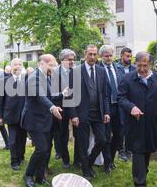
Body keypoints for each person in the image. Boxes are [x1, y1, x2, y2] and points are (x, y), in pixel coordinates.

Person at [118, 52, 157, 187]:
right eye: (139, 65)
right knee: (138, 151)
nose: (142, 69)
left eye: (145, 65)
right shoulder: (127, 78)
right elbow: (120, 97)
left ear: (150, 65)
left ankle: (142, 173)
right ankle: (140, 186)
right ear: (135, 63)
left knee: (147, 151)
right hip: (135, 123)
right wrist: (131, 107)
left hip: (152, 122)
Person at [22, 54, 65, 187]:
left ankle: (40, 177)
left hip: (44, 119)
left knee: (46, 149)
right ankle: (28, 175)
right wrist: (52, 107)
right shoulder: (34, 78)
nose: (53, 68)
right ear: (42, 63)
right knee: (41, 149)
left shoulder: (46, 77)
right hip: (33, 120)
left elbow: (48, 95)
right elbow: (40, 96)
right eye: (51, 65)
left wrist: (61, 94)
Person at [69, 44, 111, 179]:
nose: (92, 57)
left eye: (94, 54)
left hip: (98, 113)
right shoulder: (75, 71)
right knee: (83, 143)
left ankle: (88, 162)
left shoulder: (101, 71)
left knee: (102, 140)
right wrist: (73, 115)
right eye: (90, 54)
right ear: (85, 54)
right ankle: (86, 171)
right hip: (81, 114)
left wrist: (106, 112)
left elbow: (104, 94)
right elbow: (70, 95)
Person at [0, 58, 28, 171]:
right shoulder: (3, 81)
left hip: (24, 115)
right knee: (13, 139)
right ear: (11, 67)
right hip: (10, 115)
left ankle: (21, 157)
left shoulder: (26, 80)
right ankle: (14, 161)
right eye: (15, 64)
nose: (18, 66)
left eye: (20, 64)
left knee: (22, 138)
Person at [99, 45, 126, 164]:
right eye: (106, 56)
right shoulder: (98, 69)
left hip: (119, 107)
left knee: (119, 135)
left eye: (110, 55)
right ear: (101, 57)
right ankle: (107, 162)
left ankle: (111, 158)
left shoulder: (119, 68)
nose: (109, 58)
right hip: (106, 107)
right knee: (106, 136)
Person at [52, 49, 76, 169]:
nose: (72, 62)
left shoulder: (77, 71)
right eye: (69, 60)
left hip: (76, 106)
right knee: (63, 134)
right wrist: (61, 93)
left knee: (79, 133)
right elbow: (51, 92)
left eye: (73, 59)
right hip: (61, 107)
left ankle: (79, 159)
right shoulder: (55, 72)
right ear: (62, 61)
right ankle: (65, 159)